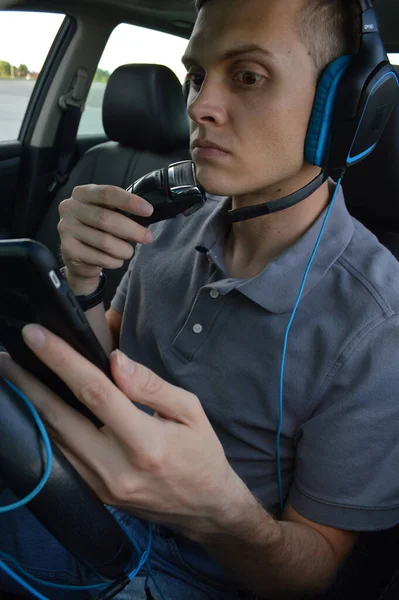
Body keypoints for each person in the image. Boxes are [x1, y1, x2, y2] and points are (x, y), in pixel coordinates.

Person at [1, 0, 399, 598]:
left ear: (342, 109)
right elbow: (113, 360)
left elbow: (314, 574)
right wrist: (81, 281)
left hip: (200, 575)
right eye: (197, 76)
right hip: (77, 491)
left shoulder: (379, 325)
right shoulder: (166, 222)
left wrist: (218, 512)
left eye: (247, 75)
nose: (201, 107)